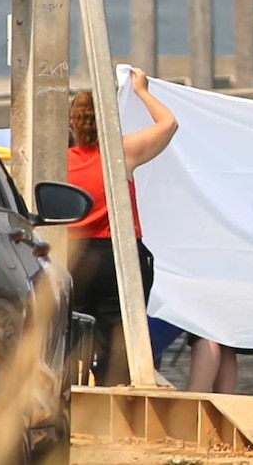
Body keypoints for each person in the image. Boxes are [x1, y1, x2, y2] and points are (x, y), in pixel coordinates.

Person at [67, 67, 178, 386]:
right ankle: (113, 394)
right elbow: (169, 124)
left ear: (73, 123)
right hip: (118, 255)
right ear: (107, 122)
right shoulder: (120, 154)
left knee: (74, 332)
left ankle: (74, 392)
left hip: (75, 256)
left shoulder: (59, 161)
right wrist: (142, 91)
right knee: (119, 335)